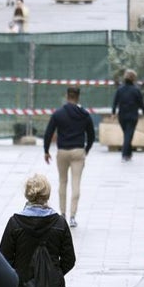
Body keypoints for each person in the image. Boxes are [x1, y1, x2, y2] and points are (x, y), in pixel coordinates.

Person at [42, 86, 95, 228]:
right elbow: (91, 135)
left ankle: (62, 214)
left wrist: (46, 150)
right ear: (78, 96)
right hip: (78, 151)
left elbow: (48, 132)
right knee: (76, 183)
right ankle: (73, 216)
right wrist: (86, 150)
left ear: (67, 96)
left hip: (63, 151)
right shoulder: (84, 114)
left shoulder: (58, 114)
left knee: (63, 182)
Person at [111, 69, 144, 162]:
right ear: (133, 78)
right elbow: (141, 102)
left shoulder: (120, 89)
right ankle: (124, 155)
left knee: (127, 134)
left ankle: (129, 153)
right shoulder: (136, 90)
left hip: (122, 116)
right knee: (128, 135)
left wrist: (113, 113)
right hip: (132, 116)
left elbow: (115, 102)